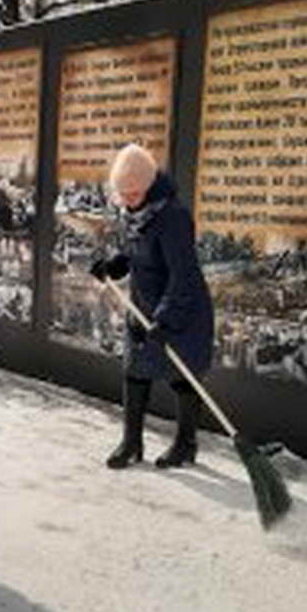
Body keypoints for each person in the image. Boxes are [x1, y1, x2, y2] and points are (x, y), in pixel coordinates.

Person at [89, 143, 214, 470]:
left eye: (133, 193)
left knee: (182, 378)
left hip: (181, 308)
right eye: (123, 195)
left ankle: (186, 444)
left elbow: (182, 273)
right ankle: (131, 443)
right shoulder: (134, 211)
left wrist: (166, 319)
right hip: (143, 306)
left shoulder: (173, 217)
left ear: (148, 185)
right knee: (134, 373)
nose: (128, 201)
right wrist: (113, 266)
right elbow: (134, 253)